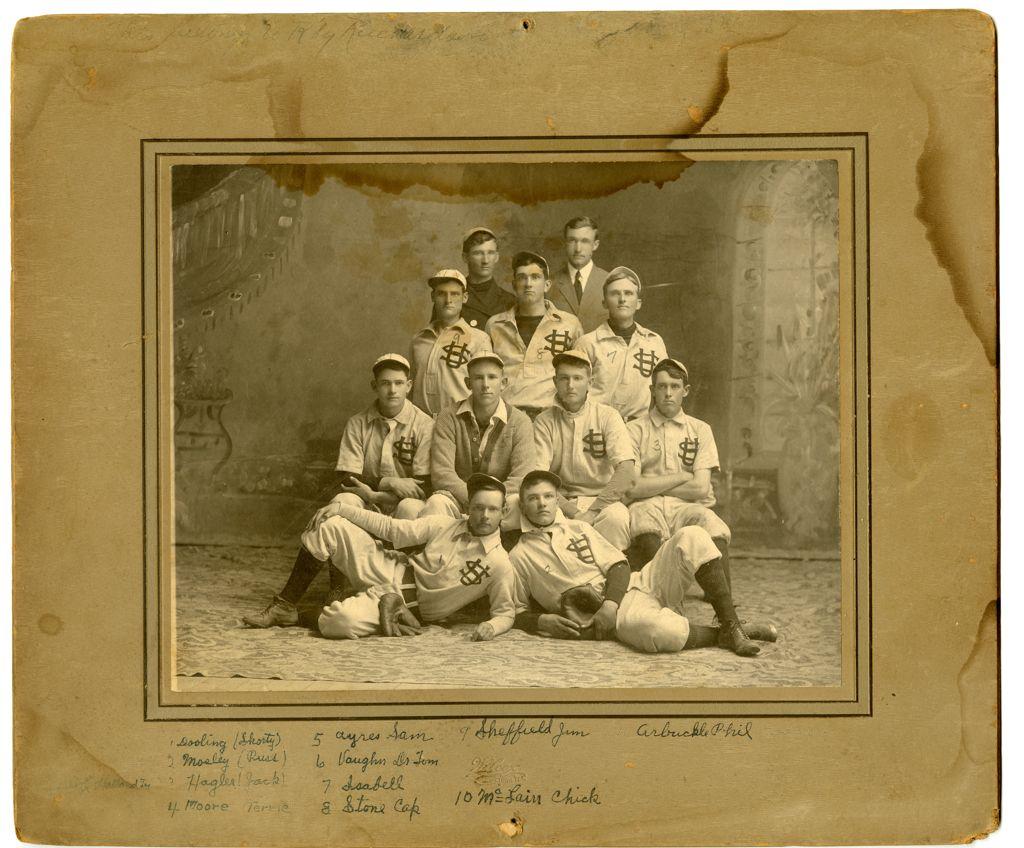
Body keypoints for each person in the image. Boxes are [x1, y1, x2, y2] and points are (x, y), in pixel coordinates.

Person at [241, 352, 433, 627]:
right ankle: (324, 590)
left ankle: (403, 592)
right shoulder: (358, 422)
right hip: (368, 500)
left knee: (411, 507)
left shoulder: (424, 424)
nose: (392, 390)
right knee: (342, 501)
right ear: (374, 386)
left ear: (409, 385)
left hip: (399, 503)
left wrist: (376, 492)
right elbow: (347, 476)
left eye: (399, 383)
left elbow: (422, 484)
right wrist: (387, 483)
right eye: (385, 383)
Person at [509, 470, 777, 656]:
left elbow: (618, 565)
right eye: (533, 498)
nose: (541, 504)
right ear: (522, 506)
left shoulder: (578, 527)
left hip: (635, 584)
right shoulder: (519, 556)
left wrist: (611, 603)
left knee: (692, 535)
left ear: (557, 500)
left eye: (547, 496)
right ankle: (725, 634)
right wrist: (540, 622)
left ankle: (731, 623)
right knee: (659, 632)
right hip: (613, 613)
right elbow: (513, 610)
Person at [311, 473, 517, 641]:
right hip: (389, 567)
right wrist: (342, 508)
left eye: (493, 509)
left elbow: (506, 612)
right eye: (479, 508)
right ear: (468, 506)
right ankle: (286, 603)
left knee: (339, 622)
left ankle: (304, 615)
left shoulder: (500, 563)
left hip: (405, 605)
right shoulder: (443, 524)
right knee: (329, 524)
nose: (485, 516)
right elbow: (391, 529)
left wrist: (492, 626)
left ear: (504, 511)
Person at [625, 358, 733, 583]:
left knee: (713, 525)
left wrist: (652, 484)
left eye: (674, 387)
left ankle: (724, 607)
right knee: (644, 524)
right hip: (646, 505)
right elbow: (633, 487)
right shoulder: (633, 429)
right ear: (652, 390)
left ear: (686, 391)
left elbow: (701, 488)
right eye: (662, 386)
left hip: (688, 506)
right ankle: (659, 595)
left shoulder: (700, 430)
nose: (668, 393)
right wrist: (683, 476)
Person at [530, 348, 635, 551]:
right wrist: (572, 511)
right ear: (555, 382)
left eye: (577, 378)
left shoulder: (607, 416)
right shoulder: (544, 421)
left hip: (602, 501)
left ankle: (613, 576)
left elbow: (627, 472)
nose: (570, 385)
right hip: (559, 501)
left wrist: (593, 512)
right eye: (564, 379)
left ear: (590, 382)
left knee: (617, 518)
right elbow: (538, 477)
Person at [420, 351, 535, 519]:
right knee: (436, 503)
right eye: (478, 378)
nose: (486, 384)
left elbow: (522, 476)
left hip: (501, 502)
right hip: (458, 498)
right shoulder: (448, 417)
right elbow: (442, 473)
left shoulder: (520, 421)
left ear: (503, 383)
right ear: (468, 383)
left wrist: (490, 502)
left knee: (518, 505)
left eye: (492, 377)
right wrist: (473, 499)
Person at [486, 251, 583, 418]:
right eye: (522, 278)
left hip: (552, 416)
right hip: (507, 415)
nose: (528, 283)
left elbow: (580, 374)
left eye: (535, 277)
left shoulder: (569, 324)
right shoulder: (495, 325)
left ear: (547, 285)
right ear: (514, 284)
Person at [575, 266, 668, 422]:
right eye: (615, 293)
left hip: (640, 428)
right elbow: (574, 392)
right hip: (596, 427)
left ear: (638, 303)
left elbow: (666, 388)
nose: (622, 299)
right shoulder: (587, 343)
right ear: (604, 302)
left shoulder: (654, 342)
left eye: (628, 293)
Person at [408, 268, 493, 415]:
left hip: (460, 422)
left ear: (465, 297)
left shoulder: (479, 339)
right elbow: (410, 389)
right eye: (441, 294)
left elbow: (486, 389)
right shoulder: (418, 340)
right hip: (421, 425)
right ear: (432, 296)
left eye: (455, 294)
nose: (448, 300)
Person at [548, 216, 610, 332]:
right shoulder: (549, 284)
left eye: (585, 241)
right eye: (572, 240)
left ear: (595, 245)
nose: (578, 249)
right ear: (565, 243)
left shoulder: (610, 282)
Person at [460, 227, 515, 330]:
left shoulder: (509, 301)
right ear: (465, 257)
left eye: (490, 253)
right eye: (478, 253)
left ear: (497, 257)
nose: (485, 260)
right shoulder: (453, 296)